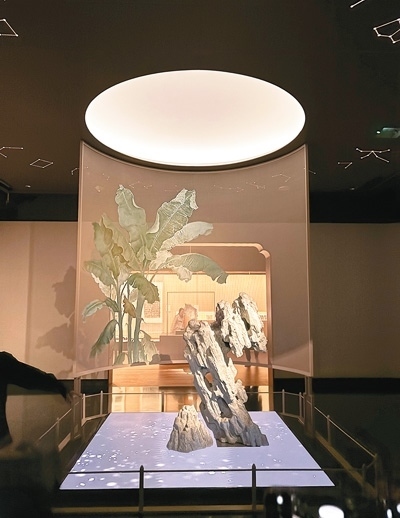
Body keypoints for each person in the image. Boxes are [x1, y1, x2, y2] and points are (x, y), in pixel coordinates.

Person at [0, 351, 72, 449]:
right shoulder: (3, 362)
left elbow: (30, 377)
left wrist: (61, 387)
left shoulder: (3, 362)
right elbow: (30, 377)